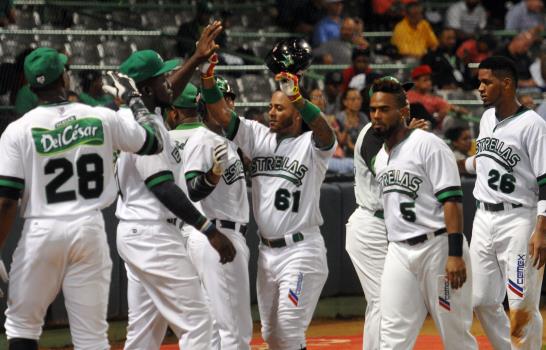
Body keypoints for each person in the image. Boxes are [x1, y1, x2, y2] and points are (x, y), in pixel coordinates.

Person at [0, 47, 164, 350]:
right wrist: (133, 99)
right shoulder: (100, 116)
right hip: (89, 228)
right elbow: (153, 142)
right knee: (91, 336)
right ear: (64, 77)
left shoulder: (17, 130)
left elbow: (7, 200)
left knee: (22, 325)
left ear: (29, 85)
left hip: (41, 230)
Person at [201, 49, 337, 349]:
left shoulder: (311, 146)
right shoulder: (257, 136)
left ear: (297, 112)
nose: (271, 112)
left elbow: (326, 133)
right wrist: (207, 77)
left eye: (279, 107)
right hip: (267, 253)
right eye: (270, 107)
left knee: (289, 330)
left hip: (302, 250)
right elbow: (222, 114)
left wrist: (298, 96)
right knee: (273, 337)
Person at [114, 22, 236, 350]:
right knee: (201, 327)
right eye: (161, 79)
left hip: (139, 231)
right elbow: (162, 186)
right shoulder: (141, 123)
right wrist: (210, 230)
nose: (170, 84)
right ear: (149, 88)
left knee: (144, 334)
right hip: (153, 235)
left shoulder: (139, 114)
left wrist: (197, 58)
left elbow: (162, 90)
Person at [370, 77, 477, 350]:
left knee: (455, 335)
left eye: (384, 109)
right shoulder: (381, 157)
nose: (376, 115)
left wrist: (454, 254)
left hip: (438, 247)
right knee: (391, 336)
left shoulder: (429, 145)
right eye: (373, 110)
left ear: (403, 112)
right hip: (399, 251)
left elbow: (452, 201)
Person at [167, 80, 252, 350]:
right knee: (234, 328)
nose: (228, 105)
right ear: (207, 108)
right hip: (218, 235)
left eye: (229, 99)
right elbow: (194, 189)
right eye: (220, 100)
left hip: (219, 233)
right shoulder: (204, 140)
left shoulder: (223, 140)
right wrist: (212, 176)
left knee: (214, 327)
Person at [470, 56, 546, 350]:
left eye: (486, 81)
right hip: (483, 219)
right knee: (482, 299)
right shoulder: (486, 118)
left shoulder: (533, 125)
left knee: (521, 302)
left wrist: (541, 230)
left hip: (519, 220)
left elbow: (545, 180)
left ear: (506, 83)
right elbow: (485, 162)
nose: (480, 87)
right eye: (479, 81)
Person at [346, 77, 426, 350]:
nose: (405, 98)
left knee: (405, 300)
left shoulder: (402, 135)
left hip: (392, 226)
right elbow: (385, 172)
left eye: (404, 93)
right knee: (383, 301)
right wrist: (410, 142)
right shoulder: (372, 133)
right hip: (370, 224)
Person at [336, 88, 368, 158]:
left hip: (361, 155)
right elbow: (341, 143)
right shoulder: (339, 118)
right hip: (343, 157)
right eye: (353, 99)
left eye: (359, 99)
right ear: (345, 102)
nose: (357, 102)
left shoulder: (364, 118)